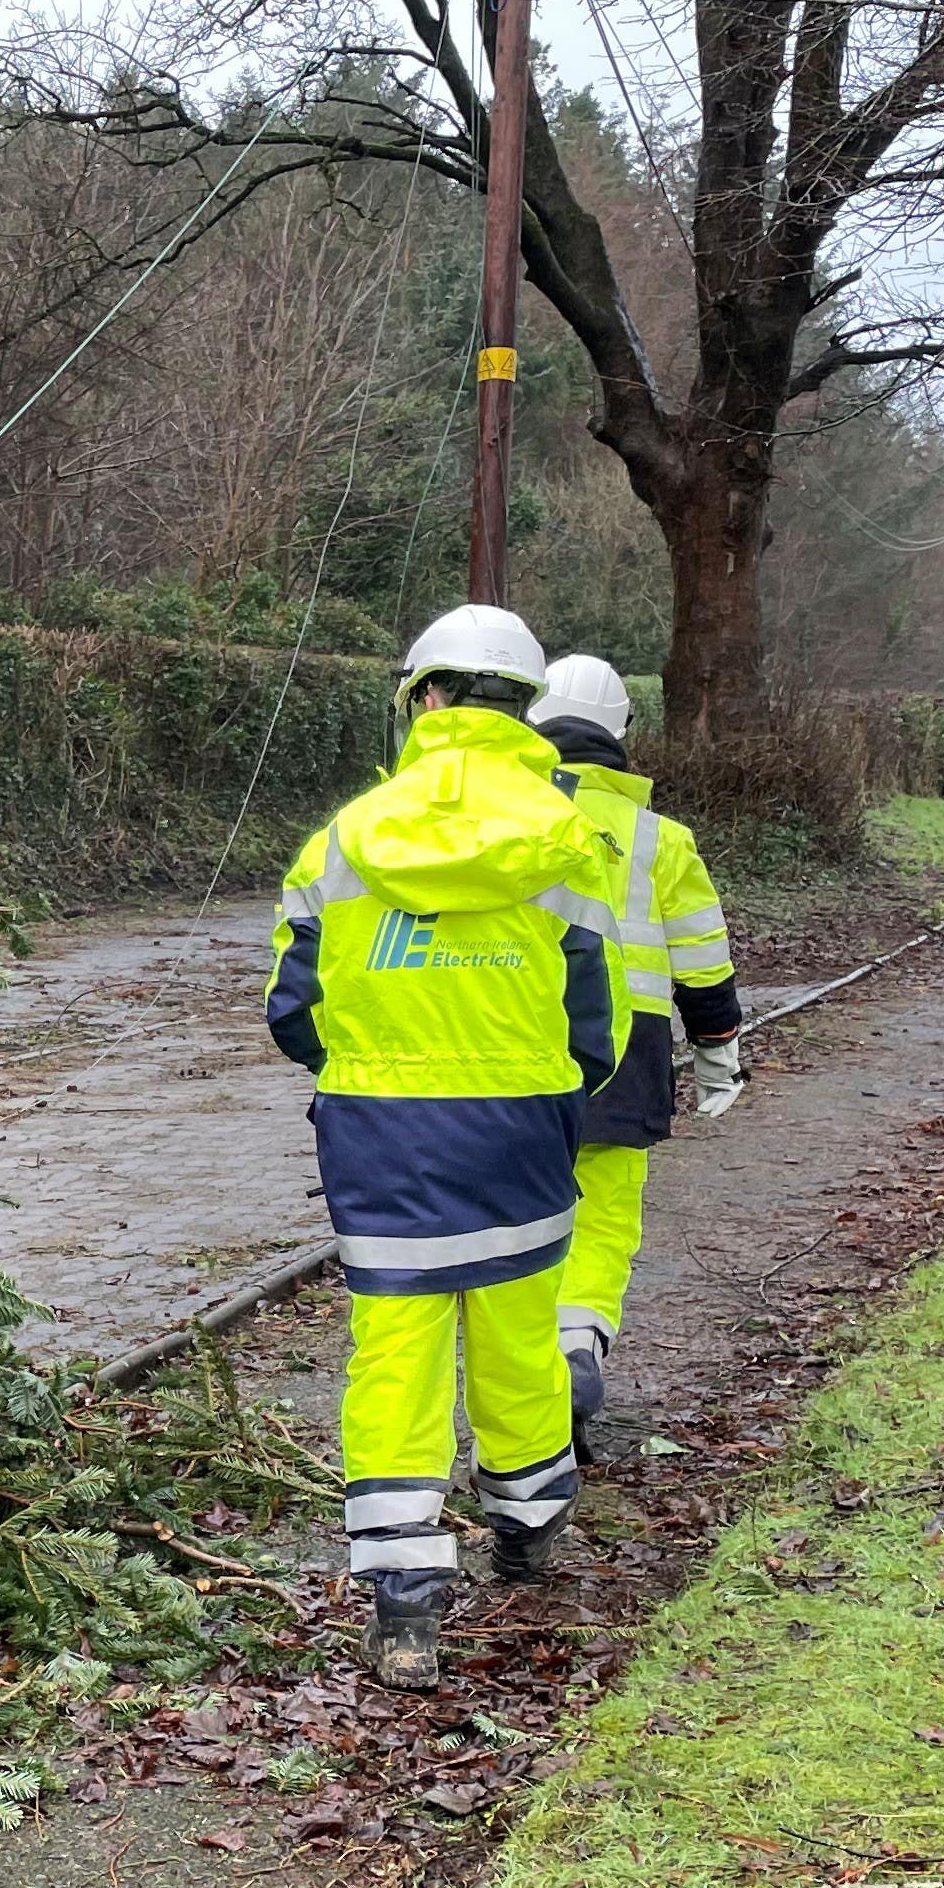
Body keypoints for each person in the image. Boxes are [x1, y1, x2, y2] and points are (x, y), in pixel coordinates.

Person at [264, 606, 623, 1691]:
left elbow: (292, 1012)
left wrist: (379, 1061)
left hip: (382, 1140)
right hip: (520, 1133)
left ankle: (407, 1606)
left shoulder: (344, 840)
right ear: (525, 705)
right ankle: (528, 1529)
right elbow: (592, 1030)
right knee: (518, 1338)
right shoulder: (567, 842)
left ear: (423, 697)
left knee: (396, 1357)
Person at [524, 656, 745, 1446]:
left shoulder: (505, 817)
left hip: (513, 1046)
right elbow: (703, 958)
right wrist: (718, 1046)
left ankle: (521, 1380)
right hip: (628, 1058)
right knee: (605, 1217)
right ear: (624, 733)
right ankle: (577, 1340)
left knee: (517, 1219)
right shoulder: (659, 840)